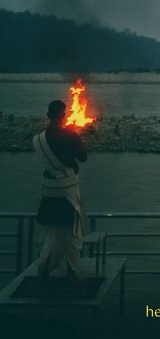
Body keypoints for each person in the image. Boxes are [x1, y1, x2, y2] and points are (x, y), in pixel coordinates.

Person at [34, 100, 87, 280]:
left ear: (48, 114)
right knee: (71, 235)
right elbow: (83, 157)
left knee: (48, 233)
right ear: (64, 115)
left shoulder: (39, 139)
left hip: (48, 193)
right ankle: (70, 270)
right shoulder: (70, 136)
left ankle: (45, 269)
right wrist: (78, 138)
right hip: (68, 193)